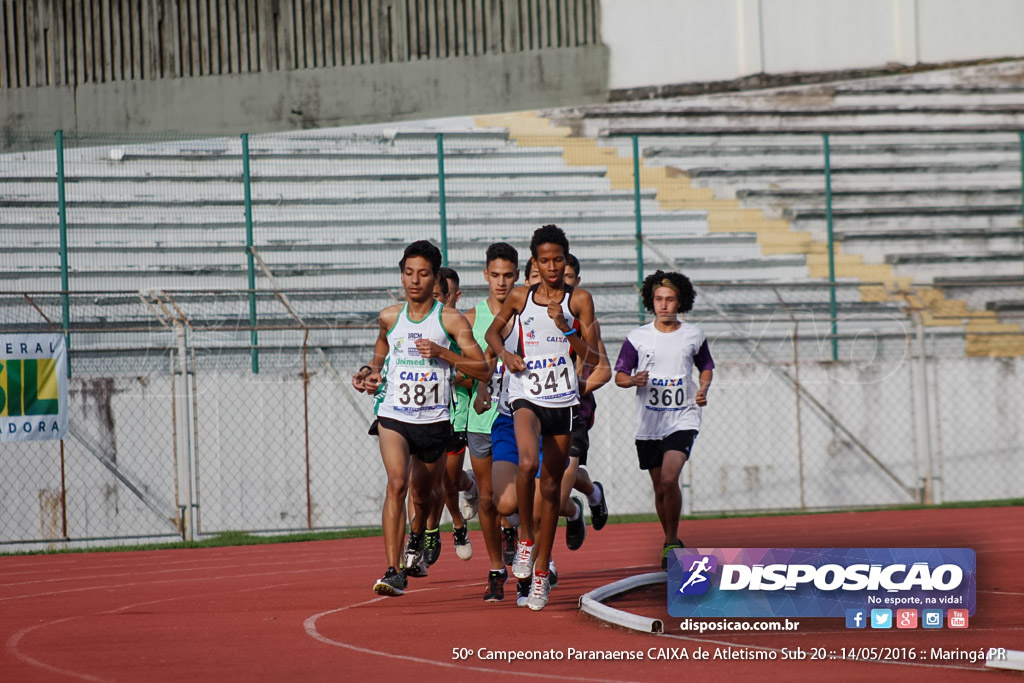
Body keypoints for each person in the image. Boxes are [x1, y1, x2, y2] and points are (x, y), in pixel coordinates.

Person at [352, 241, 489, 596]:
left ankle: (417, 535)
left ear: (434, 278)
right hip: (393, 415)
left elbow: (483, 369)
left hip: (434, 421)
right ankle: (393, 570)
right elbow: (381, 354)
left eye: (423, 273)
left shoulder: (449, 319)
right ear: (402, 276)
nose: (415, 280)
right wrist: (370, 372)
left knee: (424, 496)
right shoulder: (388, 316)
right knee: (397, 484)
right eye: (409, 273)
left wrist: (444, 353)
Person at [485, 225, 602, 610]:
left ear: (566, 261)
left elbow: (593, 357)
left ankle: (539, 575)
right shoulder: (520, 296)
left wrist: (566, 326)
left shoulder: (579, 299)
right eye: (544, 260)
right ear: (534, 263)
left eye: (558, 260)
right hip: (525, 393)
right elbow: (491, 333)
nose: (552, 267)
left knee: (550, 491)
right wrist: (505, 354)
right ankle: (524, 542)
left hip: (562, 399)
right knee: (525, 460)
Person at [614, 270, 713, 570]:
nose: (664, 305)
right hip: (649, 424)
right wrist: (632, 381)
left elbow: (706, 365)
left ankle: (671, 539)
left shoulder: (693, 335)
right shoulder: (637, 338)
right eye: (658, 299)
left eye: (670, 299)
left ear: (680, 301)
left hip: (683, 417)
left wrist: (703, 388)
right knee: (660, 487)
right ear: (650, 301)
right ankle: (669, 539)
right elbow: (619, 375)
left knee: (670, 479)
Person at [462, 243, 521, 601]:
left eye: (508, 276)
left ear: (517, 276)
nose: (501, 283)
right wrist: (479, 382)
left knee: (521, 497)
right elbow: (464, 365)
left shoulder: (526, 313)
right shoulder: (470, 318)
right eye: (495, 275)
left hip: (521, 418)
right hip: (482, 419)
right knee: (486, 499)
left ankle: (535, 559)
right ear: (485, 275)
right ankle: (497, 569)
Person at [417, 267, 478, 569]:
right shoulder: (420, 328)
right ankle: (429, 532)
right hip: (423, 413)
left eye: (442, 295)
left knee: (449, 480)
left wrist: (449, 375)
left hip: (457, 412)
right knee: (425, 479)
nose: (437, 300)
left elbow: (476, 374)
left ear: (455, 295)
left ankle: (457, 519)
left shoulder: (462, 329)